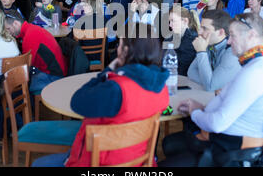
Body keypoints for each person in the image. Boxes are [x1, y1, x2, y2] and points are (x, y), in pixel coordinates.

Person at [32, 23, 169, 167]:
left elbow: (77, 102)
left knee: (38, 164)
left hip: (102, 161)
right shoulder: (161, 86)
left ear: (126, 51)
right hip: (139, 161)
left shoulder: (116, 90)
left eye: (120, 44)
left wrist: (107, 70)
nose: (117, 48)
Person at [161, 13, 263, 167]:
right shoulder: (255, 66)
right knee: (169, 143)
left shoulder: (254, 73)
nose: (229, 41)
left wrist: (195, 112)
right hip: (227, 141)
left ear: (251, 35)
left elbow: (216, 124)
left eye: (232, 35)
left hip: (231, 152)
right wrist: (203, 108)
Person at [4, 15, 67, 96]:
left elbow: (26, 65)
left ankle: (27, 108)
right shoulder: (31, 29)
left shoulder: (30, 35)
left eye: (8, 29)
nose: (8, 32)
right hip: (51, 71)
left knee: (15, 88)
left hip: (54, 77)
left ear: (16, 23)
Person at [187, 9, 241, 92]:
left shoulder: (232, 53)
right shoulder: (209, 45)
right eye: (200, 27)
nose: (199, 32)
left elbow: (210, 87)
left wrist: (201, 51)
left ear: (220, 32)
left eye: (204, 28)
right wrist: (207, 80)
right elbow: (191, 72)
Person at [168, 5, 198, 76]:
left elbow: (181, 67)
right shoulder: (173, 36)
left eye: (173, 21)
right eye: (169, 21)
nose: (170, 25)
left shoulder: (192, 39)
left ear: (185, 21)